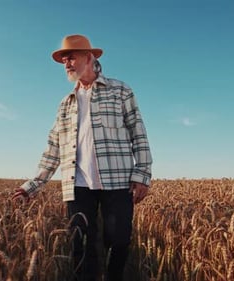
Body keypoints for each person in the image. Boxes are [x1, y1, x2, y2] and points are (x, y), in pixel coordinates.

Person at [13, 34, 152, 281]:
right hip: (77, 186)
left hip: (118, 181)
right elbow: (53, 149)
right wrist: (31, 187)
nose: (66, 63)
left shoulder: (120, 90)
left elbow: (138, 133)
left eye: (71, 57)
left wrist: (142, 175)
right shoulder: (65, 104)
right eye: (64, 59)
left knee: (119, 239)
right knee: (81, 244)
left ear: (89, 57)